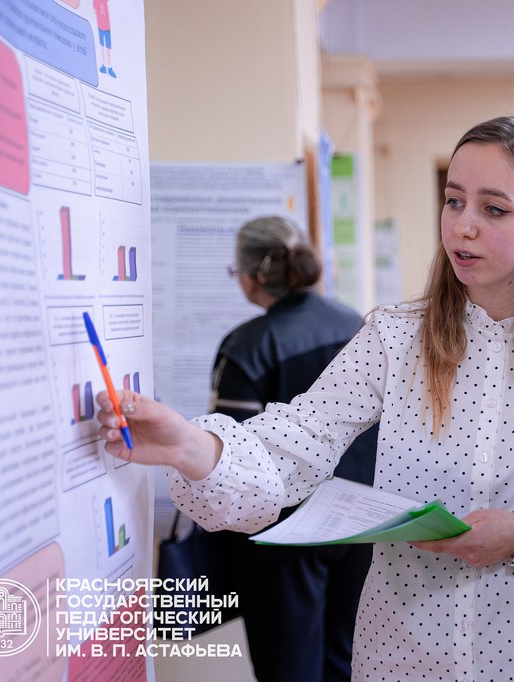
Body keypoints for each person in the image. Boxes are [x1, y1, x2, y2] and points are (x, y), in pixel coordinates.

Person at [97, 115, 514, 681]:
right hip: (403, 658)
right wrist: (191, 446)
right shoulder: (394, 340)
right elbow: (295, 442)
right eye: (453, 201)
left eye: (493, 209)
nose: (462, 227)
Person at [208, 216, 378, 681]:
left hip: (285, 533)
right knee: (348, 661)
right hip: (363, 521)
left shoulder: (247, 346)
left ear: (249, 278)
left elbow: (231, 460)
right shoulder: (357, 325)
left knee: (287, 668)